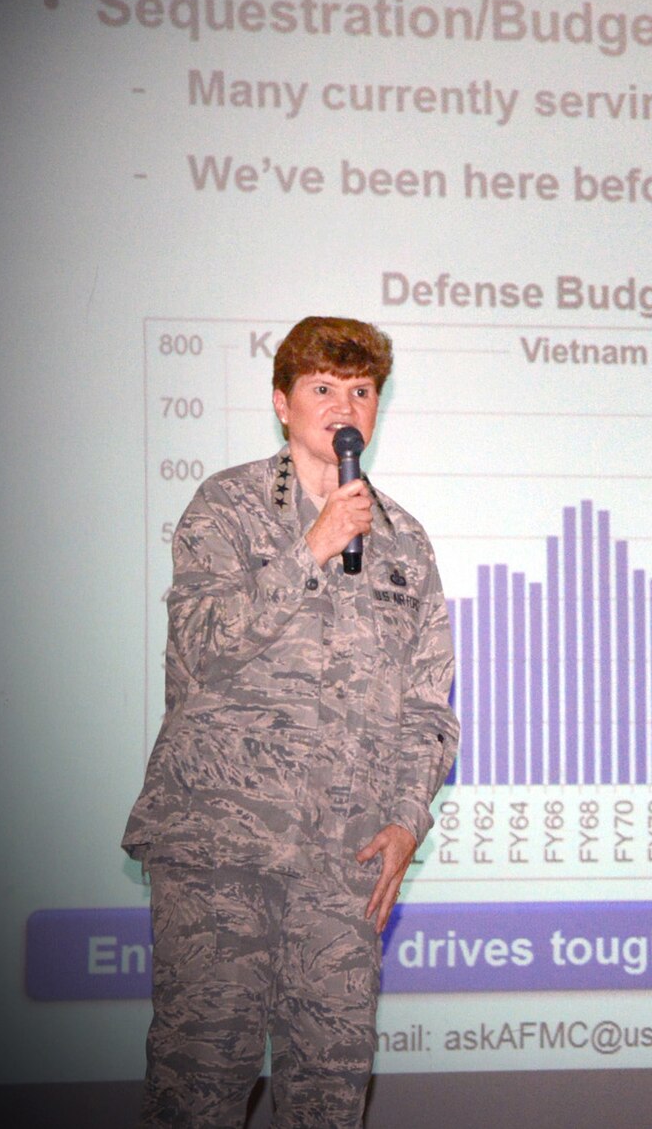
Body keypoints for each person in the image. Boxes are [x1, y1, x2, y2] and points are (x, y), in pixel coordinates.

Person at [123, 317, 459, 1126]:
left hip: (345, 864)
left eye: (361, 390)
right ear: (282, 402)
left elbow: (429, 706)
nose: (345, 406)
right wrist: (310, 548)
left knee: (329, 1095)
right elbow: (201, 646)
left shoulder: (405, 542)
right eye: (323, 388)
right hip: (222, 849)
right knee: (198, 1087)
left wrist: (406, 820)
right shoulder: (226, 507)